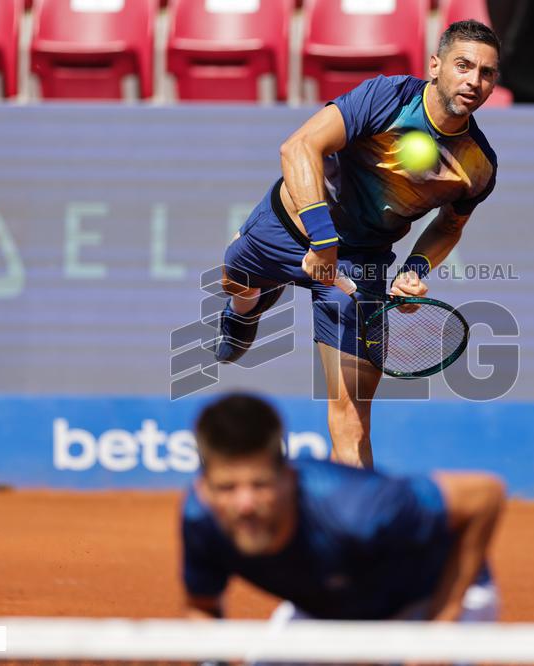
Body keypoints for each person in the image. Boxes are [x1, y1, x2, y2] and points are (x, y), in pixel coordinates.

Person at [213, 20, 502, 469]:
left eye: (486, 73)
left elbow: (449, 226)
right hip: (288, 228)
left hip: (361, 267)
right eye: (463, 66)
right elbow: (298, 148)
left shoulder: (477, 166)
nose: (474, 81)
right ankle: (245, 310)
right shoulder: (387, 98)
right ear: (435, 65)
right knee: (233, 279)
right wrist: (323, 240)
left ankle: (358, 531)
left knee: (352, 420)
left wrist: (415, 270)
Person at [181, 393, 505, 623]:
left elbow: (484, 495)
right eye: (227, 488)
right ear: (203, 487)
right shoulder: (201, 520)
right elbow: (203, 609)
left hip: (430, 595)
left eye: (260, 485)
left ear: (288, 476)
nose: (245, 505)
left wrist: (443, 621)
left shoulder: (357, 508)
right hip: (331, 606)